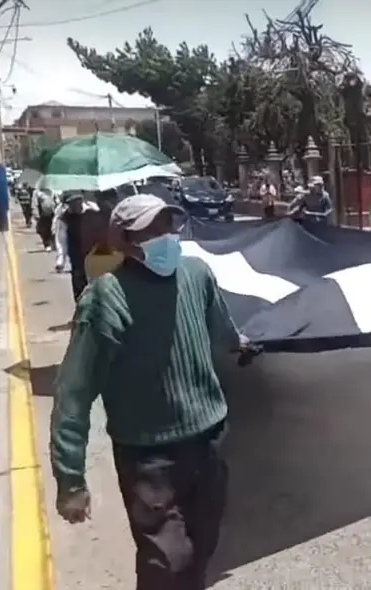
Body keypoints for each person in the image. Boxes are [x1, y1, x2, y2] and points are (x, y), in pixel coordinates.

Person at [50, 193, 248, 589]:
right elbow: (74, 391)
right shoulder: (107, 298)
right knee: (166, 563)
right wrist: (71, 480)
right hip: (149, 458)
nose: (164, 236)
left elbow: (223, 329)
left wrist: (243, 345)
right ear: (124, 240)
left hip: (208, 443)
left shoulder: (197, 274)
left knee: (202, 549)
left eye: (167, 226)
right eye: (150, 230)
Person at [54, 193, 101, 301]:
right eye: (72, 203)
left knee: (98, 286)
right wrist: (61, 260)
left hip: (95, 254)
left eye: (77, 201)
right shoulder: (64, 218)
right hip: (77, 257)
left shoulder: (92, 211)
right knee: (80, 288)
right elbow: (61, 240)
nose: (76, 205)